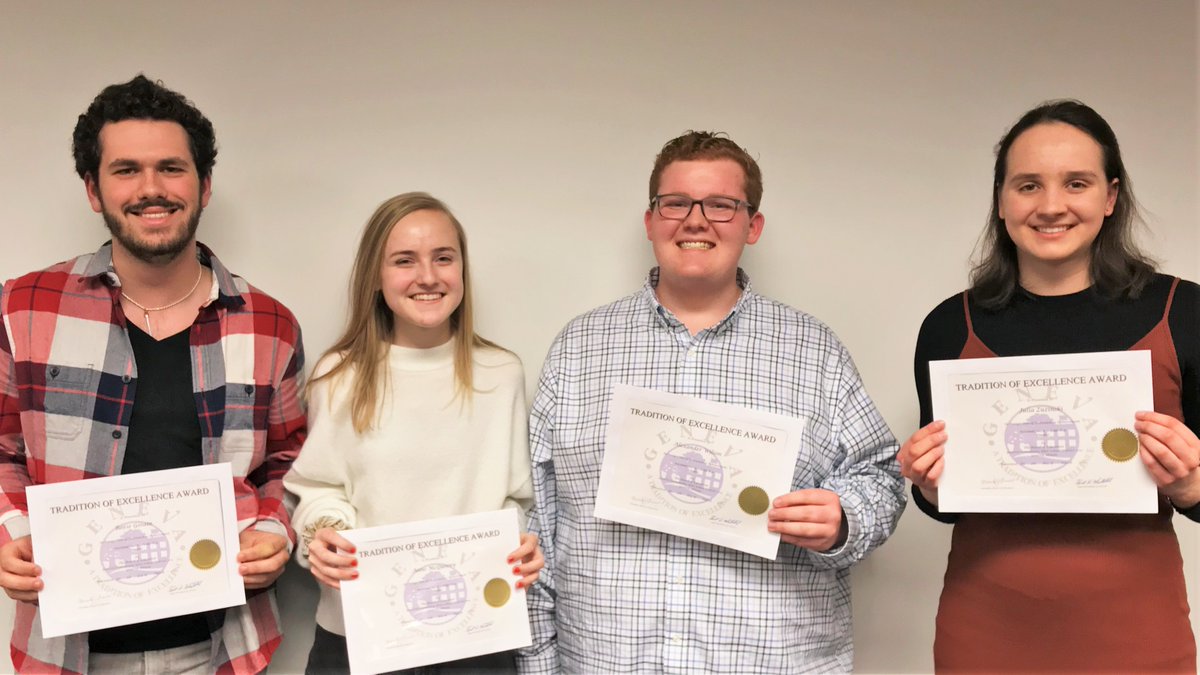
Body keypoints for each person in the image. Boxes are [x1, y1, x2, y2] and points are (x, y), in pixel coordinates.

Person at [517, 131, 905, 673]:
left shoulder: (814, 350)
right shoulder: (578, 348)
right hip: (606, 660)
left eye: (721, 205)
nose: (695, 220)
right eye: (676, 203)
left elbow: (882, 478)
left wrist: (844, 519)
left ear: (753, 226)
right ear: (651, 221)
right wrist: (537, 662)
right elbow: (536, 517)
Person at [0, 75, 306, 673]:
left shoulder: (270, 324)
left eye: (171, 167)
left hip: (222, 650)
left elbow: (290, 461)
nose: (151, 189)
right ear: (93, 190)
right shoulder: (22, 308)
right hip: (66, 654)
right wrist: (9, 533)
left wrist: (276, 529)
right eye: (125, 170)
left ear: (204, 184)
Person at [899, 100, 1200, 671]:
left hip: (1138, 632)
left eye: (1076, 183)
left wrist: (1190, 483)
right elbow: (943, 504)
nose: (1051, 205)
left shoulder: (1185, 313)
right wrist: (929, 484)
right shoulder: (948, 325)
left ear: (1110, 197)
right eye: (1028, 185)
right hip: (984, 630)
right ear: (1001, 200)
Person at [283, 192, 543, 674]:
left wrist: (520, 545)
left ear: (461, 270)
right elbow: (316, 490)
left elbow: (514, 500)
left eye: (443, 258)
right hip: (360, 632)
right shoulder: (339, 375)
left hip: (475, 636)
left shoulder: (501, 373)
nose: (427, 276)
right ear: (376, 278)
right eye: (404, 261)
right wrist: (326, 537)